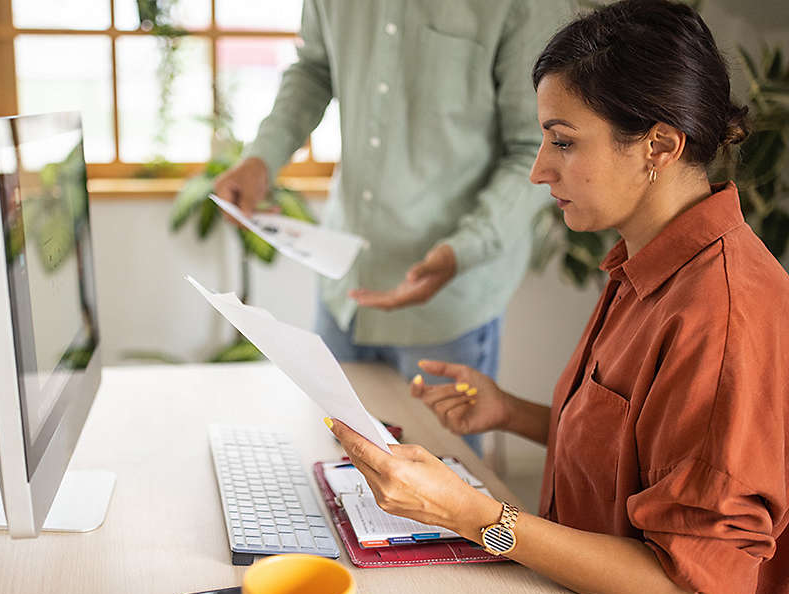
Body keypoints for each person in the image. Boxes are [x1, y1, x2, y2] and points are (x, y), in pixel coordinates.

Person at [325, 1, 788, 594]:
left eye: (564, 142)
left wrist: (479, 517)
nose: (540, 170)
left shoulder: (722, 316)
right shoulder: (649, 262)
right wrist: (510, 413)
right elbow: (649, 459)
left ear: (658, 147)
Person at [215, 1, 571, 455]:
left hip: (449, 302)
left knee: (447, 496)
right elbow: (314, 69)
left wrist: (465, 247)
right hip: (345, 288)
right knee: (332, 473)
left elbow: (535, 145)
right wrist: (261, 159)